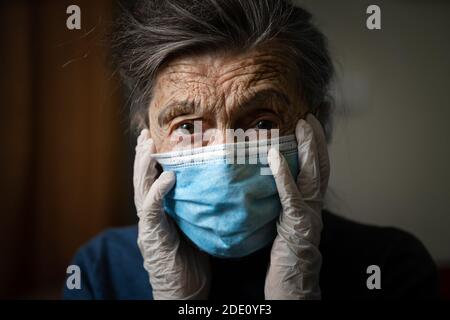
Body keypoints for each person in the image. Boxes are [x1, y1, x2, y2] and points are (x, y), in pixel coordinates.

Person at [63, 0, 438, 299]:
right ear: (146, 137)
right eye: (188, 126)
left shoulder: (390, 266)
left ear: (320, 125)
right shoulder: (100, 270)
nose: (228, 157)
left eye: (262, 123)